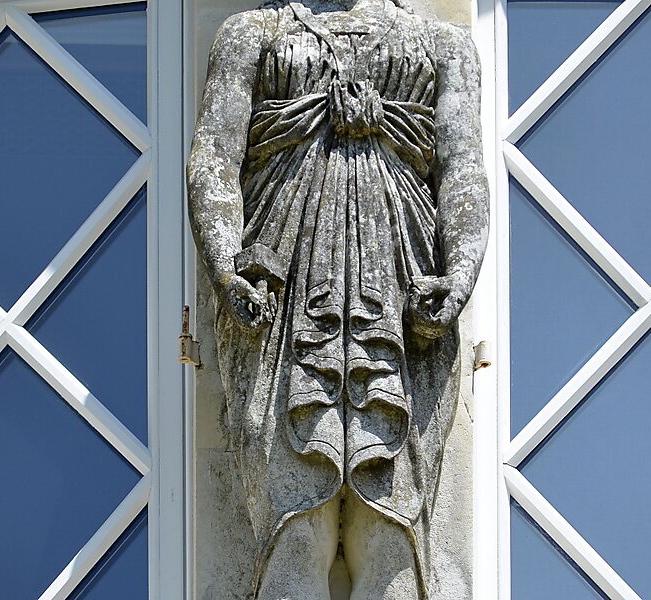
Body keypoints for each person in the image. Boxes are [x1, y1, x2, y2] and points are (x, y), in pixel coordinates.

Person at [187, 0, 488, 597]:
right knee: (294, 528)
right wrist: (224, 269)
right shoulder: (253, 32)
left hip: (400, 295)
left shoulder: (442, 46)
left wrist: (459, 274)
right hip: (283, 298)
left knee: (391, 533)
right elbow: (214, 157)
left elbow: (464, 171)